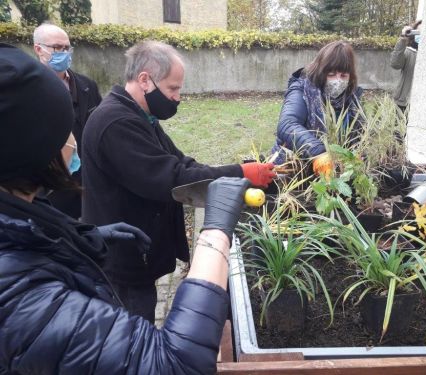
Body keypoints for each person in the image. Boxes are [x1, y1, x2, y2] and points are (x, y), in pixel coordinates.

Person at [0, 43, 250, 374]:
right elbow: (171, 364)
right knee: (137, 318)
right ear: (33, 147)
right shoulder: (21, 296)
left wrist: (79, 236)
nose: (74, 140)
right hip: (126, 269)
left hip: (131, 250)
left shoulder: (22, 218)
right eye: (64, 131)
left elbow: (177, 161)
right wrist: (216, 234)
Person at [81, 40, 276, 322]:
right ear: (145, 80)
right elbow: (171, 178)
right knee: (135, 336)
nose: (178, 97)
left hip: (136, 254)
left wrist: (237, 172)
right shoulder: (116, 123)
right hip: (122, 264)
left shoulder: (139, 115)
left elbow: (181, 162)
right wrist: (240, 173)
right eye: (173, 88)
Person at [33, 23, 102, 219]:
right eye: (57, 48)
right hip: (51, 183)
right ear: (39, 49)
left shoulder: (86, 85)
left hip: (87, 180)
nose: (64, 53)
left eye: (67, 48)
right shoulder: (27, 89)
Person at [270, 40, 364, 167]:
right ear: (321, 72)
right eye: (331, 74)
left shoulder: (353, 99)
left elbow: (360, 133)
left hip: (334, 171)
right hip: (294, 166)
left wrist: (358, 155)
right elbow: (287, 125)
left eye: (343, 76)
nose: (337, 81)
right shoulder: (301, 89)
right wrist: (318, 152)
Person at [390, 20, 422, 114]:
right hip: (404, 102)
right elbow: (395, 64)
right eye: (418, 32)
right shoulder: (408, 52)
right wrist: (403, 38)